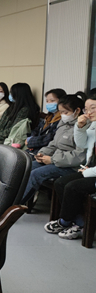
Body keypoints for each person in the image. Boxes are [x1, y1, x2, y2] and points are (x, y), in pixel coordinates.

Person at [45, 91, 96, 240]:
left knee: (72, 187)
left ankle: (66, 221)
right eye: (87, 109)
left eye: (93, 108)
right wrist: (80, 127)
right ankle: (79, 222)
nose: (89, 112)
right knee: (60, 183)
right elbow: (82, 144)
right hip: (90, 170)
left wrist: (87, 172)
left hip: (92, 173)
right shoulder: (93, 125)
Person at [22, 94, 85, 206]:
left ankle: (15, 206)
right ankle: (10, 200)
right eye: (61, 112)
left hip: (71, 166)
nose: (63, 115)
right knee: (26, 167)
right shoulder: (63, 124)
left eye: (65, 112)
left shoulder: (83, 128)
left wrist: (52, 160)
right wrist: (42, 153)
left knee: (36, 174)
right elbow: (54, 144)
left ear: (77, 111)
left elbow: (80, 156)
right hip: (56, 160)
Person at [26, 88, 66, 154]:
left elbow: (50, 138)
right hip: (36, 148)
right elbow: (37, 130)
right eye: (47, 101)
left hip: (46, 151)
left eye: (52, 101)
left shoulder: (62, 119)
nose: (49, 103)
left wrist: (31, 141)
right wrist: (30, 138)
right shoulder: (48, 117)